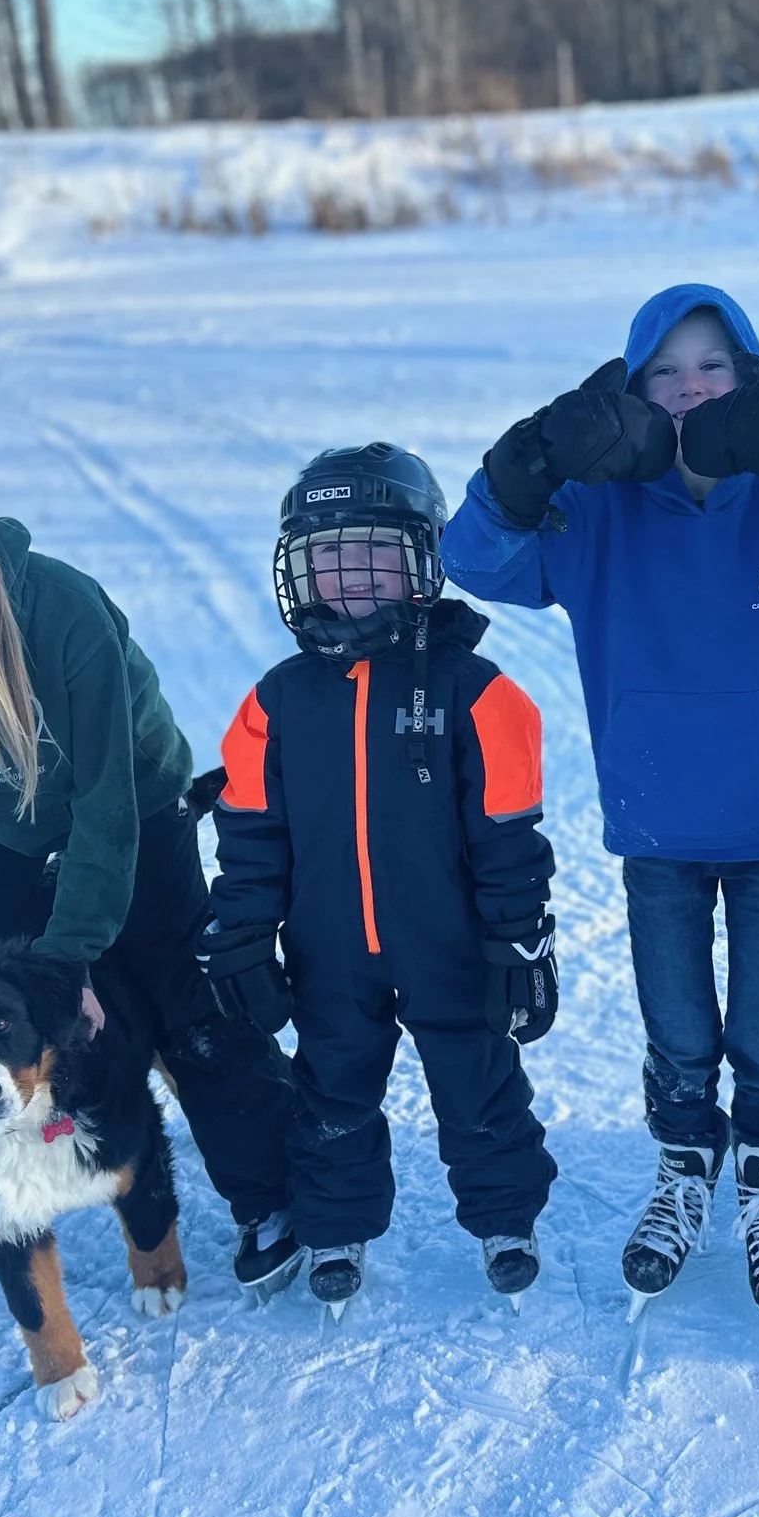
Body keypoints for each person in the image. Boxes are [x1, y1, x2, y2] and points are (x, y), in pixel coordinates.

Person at [442, 284, 759, 1343]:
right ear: (630, 395)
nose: (689, 389)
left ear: (751, 378)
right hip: (656, 817)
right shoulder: (590, 513)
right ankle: (686, 1171)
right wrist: (531, 461)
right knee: (678, 1028)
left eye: (713, 367)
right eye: (665, 373)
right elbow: (475, 559)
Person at [0, 389, 297, 1311]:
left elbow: (106, 802)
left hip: (132, 812)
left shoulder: (60, 607)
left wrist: (70, 957)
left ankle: (270, 1190)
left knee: (175, 996)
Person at [195, 444, 561, 1317]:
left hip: (451, 949)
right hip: (329, 954)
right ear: (299, 569)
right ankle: (335, 1224)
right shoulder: (274, 703)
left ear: (421, 561)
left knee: (479, 1082)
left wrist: (519, 936)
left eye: (374, 557)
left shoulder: (481, 694)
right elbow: (250, 836)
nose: (351, 580)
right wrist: (243, 933)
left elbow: (510, 835)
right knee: (332, 1090)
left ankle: (507, 1217)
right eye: (329, 558)